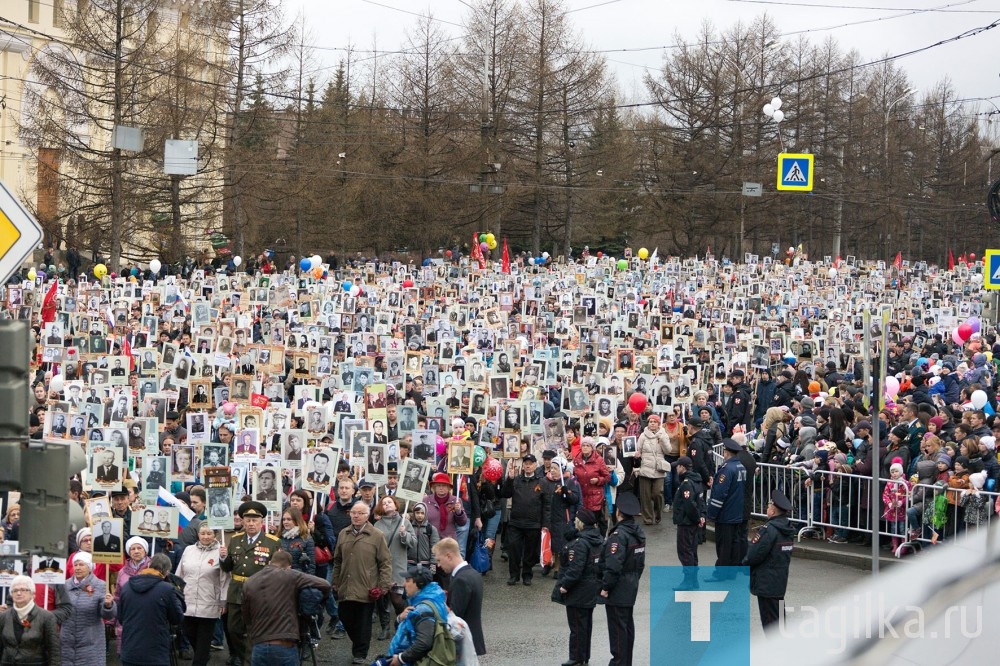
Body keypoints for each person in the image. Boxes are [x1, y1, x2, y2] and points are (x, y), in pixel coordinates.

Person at [242, 550, 331, 666]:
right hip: (284, 645)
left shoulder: (249, 582)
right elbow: (325, 584)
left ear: (270, 562)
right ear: (289, 566)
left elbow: (246, 618)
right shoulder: (290, 575)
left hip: (259, 646)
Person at [221, 501, 281, 666]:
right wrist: (223, 557)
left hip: (259, 591)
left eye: (255, 520)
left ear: (262, 522)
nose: (251, 523)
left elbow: (278, 570)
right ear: (243, 521)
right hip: (237, 591)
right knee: (233, 630)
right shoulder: (235, 539)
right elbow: (227, 567)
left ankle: (249, 661)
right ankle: (244, 657)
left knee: (254, 630)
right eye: (248, 520)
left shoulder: (272, 542)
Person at [332, 501, 392, 665]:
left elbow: (385, 563)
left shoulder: (377, 535)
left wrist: (383, 586)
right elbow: (337, 561)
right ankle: (358, 644)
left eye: (360, 513)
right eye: (353, 513)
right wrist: (335, 581)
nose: (356, 516)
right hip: (346, 585)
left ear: (367, 516)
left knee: (364, 623)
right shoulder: (343, 534)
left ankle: (360, 653)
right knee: (345, 616)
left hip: (367, 587)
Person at [599, 492, 645, 666]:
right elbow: (640, 564)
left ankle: (618, 662)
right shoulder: (638, 532)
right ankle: (626, 662)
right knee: (626, 627)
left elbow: (613, 565)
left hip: (618, 588)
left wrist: (606, 587)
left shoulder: (618, 536)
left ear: (619, 512)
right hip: (631, 584)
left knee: (618, 630)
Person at [553, 509, 602, 666]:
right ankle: (584, 656)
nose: (574, 523)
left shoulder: (580, 544)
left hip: (579, 592)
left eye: (576, 521)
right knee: (586, 626)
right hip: (591, 589)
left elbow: (575, 569)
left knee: (576, 627)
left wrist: (564, 586)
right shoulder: (598, 540)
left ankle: (576, 657)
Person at [118, 553, 185, 666]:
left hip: (130, 650)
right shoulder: (167, 589)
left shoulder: (127, 586)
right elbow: (177, 618)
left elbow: (120, 618)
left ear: (148, 566)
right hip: (156, 653)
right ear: (167, 571)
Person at [176, 523, 228, 666]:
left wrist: (223, 600)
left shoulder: (221, 551)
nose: (205, 536)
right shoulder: (188, 550)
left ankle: (201, 659)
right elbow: (179, 573)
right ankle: (203, 656)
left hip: (209, 602)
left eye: (209, 533)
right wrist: (176, 593)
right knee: (189, 634)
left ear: (215, 534)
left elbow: (225, 578)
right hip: (188, 601)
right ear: (198, 534)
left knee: (203, 643)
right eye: (203, 533)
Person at [742, 489, 795, 629]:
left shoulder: (769, 529)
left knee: (770, 624)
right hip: (779, 581)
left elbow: (754, 554)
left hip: (766, 583)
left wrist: (744, 562)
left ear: (772, 512)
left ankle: (778, 651)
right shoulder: (787, 528)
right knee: (779, 621)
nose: (767, 508)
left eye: (768, 506)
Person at [384, 566, 450, 666]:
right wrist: (399, 619)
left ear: (419, 583)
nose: (404, 584)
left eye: (408, 580)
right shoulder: (430, 600)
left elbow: (424, 643)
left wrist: (401, 658)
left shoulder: (424, 610)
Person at [500, 454, 549, 586]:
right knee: (514, 550)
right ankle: (514, 575)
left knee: (530, 552)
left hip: (533, 523)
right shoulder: (516, 480)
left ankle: (527, 575)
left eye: (530, 463)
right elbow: (505, 494)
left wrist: (544, 523)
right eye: (526, 463)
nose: (528, 465)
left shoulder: (541, 481)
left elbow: (546, 504)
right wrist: (509, 479)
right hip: (516, 522)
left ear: (535, 465)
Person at [60, 551, 116, 665]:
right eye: (75, 565)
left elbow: (107, 615)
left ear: (90, 567)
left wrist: (108, 605)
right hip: (67, 644)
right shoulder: (64, 585)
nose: (78, 568)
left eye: (81, 565)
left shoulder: (100, 585)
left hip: (91, 643)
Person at [432, 536, 485, 656]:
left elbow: (455, 617)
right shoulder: (473, 573)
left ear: (449, 556)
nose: (438, 565)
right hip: (471, 639)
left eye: (439, 560)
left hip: (463, 643)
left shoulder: (461, 580)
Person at [373, 496, 417, 640]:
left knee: (397, 598)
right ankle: (385, 628)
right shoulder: (377, 525)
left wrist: (404, 534)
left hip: (398, 566)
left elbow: (413, 543)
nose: (386, 504)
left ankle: (401, 623)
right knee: (382, 599)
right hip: (381, 567)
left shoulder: (404, 522)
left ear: (396, 505)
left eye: (389, 502)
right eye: (384, 503)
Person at [707, 439, 747, 581]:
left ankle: (721, 574)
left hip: (726, 514)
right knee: (734, 543)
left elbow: (719, 494)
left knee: (724, 545)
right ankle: (731, 573)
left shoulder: (727, 469)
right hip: (737, 512)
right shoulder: (740, 467)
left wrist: (711, 513)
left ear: (727, 452)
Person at [0, 575, 61, 665]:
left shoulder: (47, 617)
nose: (19, 593)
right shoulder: (3, 616)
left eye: (24, 590)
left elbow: (54, 651)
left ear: (32, 594)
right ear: (11, 594)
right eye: (15, 590)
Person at [671, 456, 705, 589]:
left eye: (678, 466)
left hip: (686, 522)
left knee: (685, 552)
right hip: (693, 522)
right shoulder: (697, 480)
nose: (676, 468)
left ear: (682, 467)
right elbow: (701, 501)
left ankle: (688, 581)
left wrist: (697, 518)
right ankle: (693, 580)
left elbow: (689, 504)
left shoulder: (686, 483)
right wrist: (701, 516)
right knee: (692, 551)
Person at [634, 414, 672, 525]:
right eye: (650, 422)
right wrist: (637, 453)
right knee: (645, 495)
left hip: (658, 468)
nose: (652, 423)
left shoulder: (663, 435)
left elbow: (668, 451)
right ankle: (648, 518)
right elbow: (638, 449)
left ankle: (658, 513)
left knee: (657, 493)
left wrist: (663, 440)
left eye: (655, 422)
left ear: (658, 423)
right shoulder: (643, 435)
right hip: (645, 468)